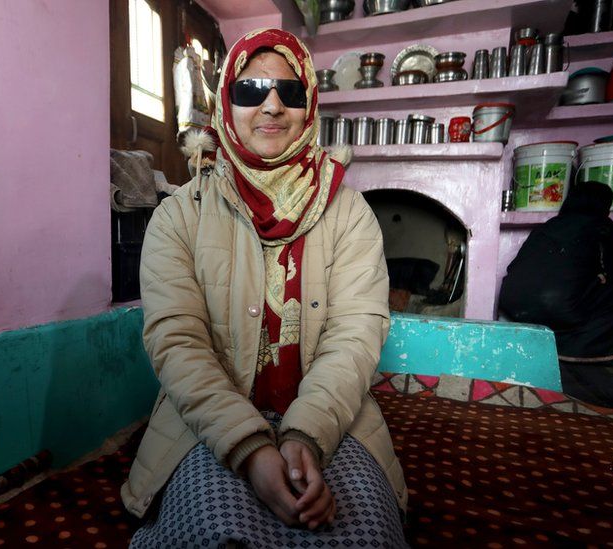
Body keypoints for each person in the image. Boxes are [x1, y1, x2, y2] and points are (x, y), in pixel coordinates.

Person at [121, 29, 408, 547]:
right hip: (211, 422)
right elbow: (177, 342)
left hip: (329, 415)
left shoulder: (350, 213)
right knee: (217, 533)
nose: (272, 106)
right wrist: (250, 448)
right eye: (251, 90)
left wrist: (305, 436)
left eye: (290, 92)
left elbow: (356, 334)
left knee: (364, 535)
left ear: (309, 107)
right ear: (226, 106)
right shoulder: (178, 217)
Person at [499, 181, 613, 363]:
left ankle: (548, 344)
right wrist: (598, 276)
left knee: (570, 292)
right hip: (559, 308)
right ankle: (582, 350)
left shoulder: (547, 227)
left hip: (513, 304)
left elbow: (516, 268)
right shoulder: (603, 227)